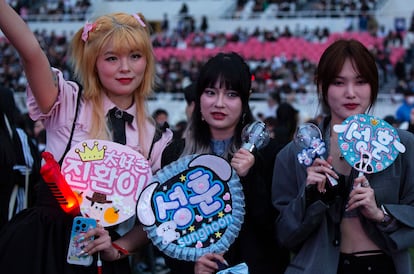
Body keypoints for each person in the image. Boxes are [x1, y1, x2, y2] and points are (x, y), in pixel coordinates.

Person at [0, 2, 173, 273]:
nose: (125, 68)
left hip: (101, 252)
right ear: (94, 62)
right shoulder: (68, 102)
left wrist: (118, 249)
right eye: (112, 58)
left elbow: (153, 219)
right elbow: (31, 52)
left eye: (135, 56)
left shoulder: (156, 139)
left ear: (147, 62)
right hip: (43, 245)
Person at [272, 39, 414, 274]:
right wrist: (309, 197)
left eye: (361, 82)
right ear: (322, 86)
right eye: (338, 82)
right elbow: (285, 234)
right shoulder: (294, 154)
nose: (350, 93)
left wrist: (381, 214)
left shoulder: (402, 146)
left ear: (373, 85)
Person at [160, 52, 290, 274]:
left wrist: (250, 177)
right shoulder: (175, 154)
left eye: (231, 94)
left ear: (244, 100)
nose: (219, 103)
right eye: (210, 92)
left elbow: (278, 231)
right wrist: (191, 265)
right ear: (198, 98)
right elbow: (165, 231)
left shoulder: (268, 153)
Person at [0, 86, 41, 229]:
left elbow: (29, 169)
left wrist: (11, 174)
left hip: (13, 210)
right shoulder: (18, 135)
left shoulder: (18, 136)